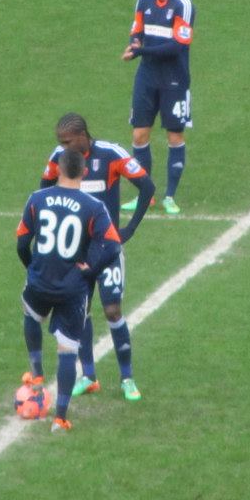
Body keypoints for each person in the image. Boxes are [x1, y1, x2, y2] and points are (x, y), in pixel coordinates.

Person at [41, 113, 155, 402]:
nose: (64, 147)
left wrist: (129, 229)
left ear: (82, 136)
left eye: (68, 142)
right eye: (61, 143)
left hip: (106, 250)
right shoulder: (59, 158)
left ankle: (127, 378)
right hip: (75, 252)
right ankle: (89, 376)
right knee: (81, 312)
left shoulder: (110, 154)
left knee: (113, 310)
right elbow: (44, 190)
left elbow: (147, 186)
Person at [17, 148, 122, 432]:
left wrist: (32, 267)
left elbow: (22, 243)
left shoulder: (37, 198)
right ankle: (60, 418)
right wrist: (90, 269)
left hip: (40, 281)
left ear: (58, 170)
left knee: (30, 314)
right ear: (84, 173)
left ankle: (37, 375)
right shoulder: (93, 206)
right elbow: (113, 246)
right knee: (67, 349)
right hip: (73, 288)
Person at [121, 0, 196, 216]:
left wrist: (141, 51)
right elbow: (137, 31)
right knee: (139, 135)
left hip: (174, 80)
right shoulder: (144, 0)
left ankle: (170, 196)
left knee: (174, 136)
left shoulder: (183, 5)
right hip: (147, 77)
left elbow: (177, 46)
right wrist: (134, 45)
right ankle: (146, 195)